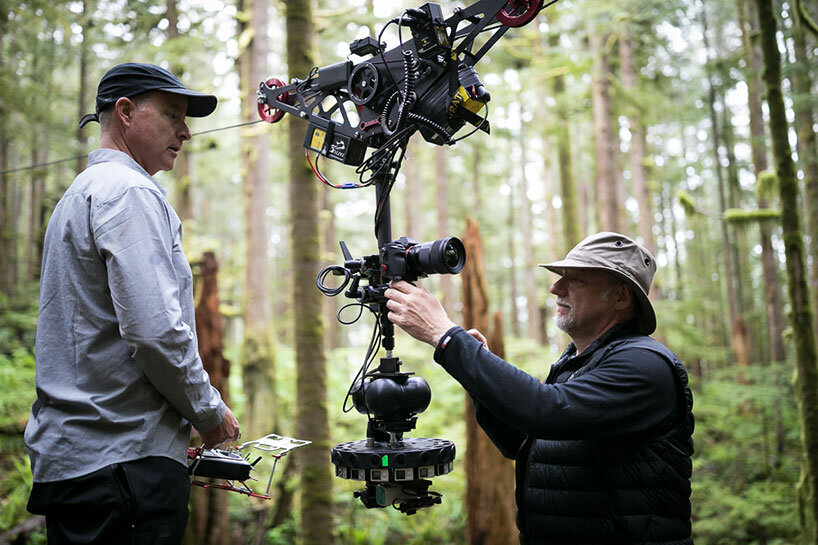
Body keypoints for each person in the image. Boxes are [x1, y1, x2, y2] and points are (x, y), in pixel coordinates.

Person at [24, 63, 240, 545]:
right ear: (124, 112)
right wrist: (209, 412)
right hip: (122, 474)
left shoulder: (78, 194)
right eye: (172, 114)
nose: (185, 131)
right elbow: (154, 332)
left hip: (79, 468)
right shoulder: (130, 192)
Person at [384, 231, 694, 545]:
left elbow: (545, 411)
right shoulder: (576, 364)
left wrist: (446, 336)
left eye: (575, 280)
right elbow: (519, 441)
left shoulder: (644, 364)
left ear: (621, 297)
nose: (554, 287)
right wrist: (475, 369)